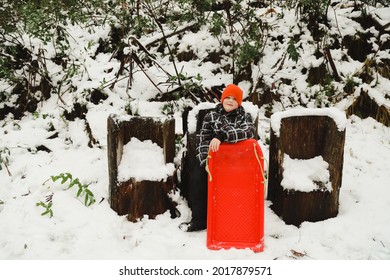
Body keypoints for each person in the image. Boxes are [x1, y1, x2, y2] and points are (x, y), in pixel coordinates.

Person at [180, 84, 256, 232]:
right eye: (227, 97)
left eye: (234, 98)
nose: (230, 100)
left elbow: (249, 131)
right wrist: (206, 162)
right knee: (198, 181)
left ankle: (230, 219)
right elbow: (203, 139)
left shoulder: (243, 116)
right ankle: (200, 219)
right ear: (222, 99)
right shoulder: (211, 116)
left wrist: (223, 136)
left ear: (239, 102)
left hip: (235, 163)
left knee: (233, 189)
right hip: (213, 161)